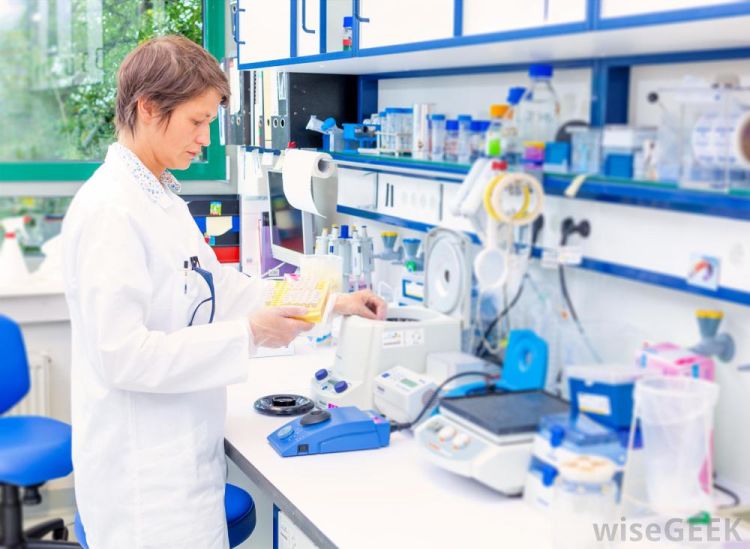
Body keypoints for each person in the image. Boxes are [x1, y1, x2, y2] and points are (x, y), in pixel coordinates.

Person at [62, 35, 386, 549]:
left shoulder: (159, 197)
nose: (205, 139)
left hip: (180, 457)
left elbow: (223, 290)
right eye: (197, 122)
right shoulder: (112, 210)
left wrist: (330, 302)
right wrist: (248, 336)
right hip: (145, 480)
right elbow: (121, 356)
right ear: (148, 108)